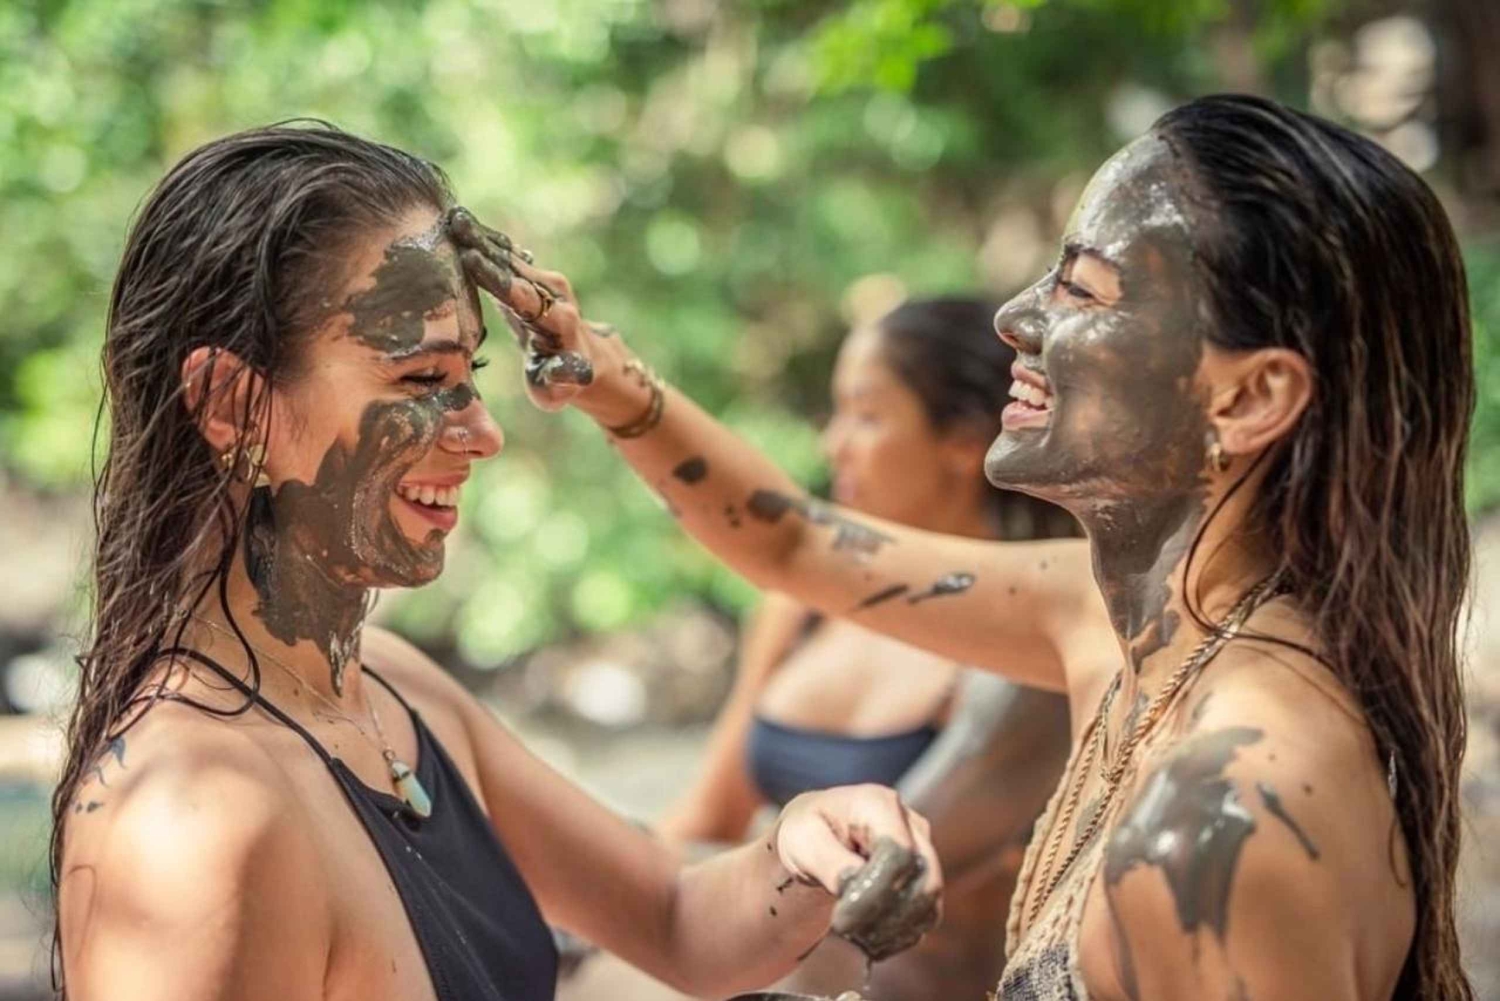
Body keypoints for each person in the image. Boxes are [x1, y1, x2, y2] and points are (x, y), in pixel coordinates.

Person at [456, 92, 1474, 999]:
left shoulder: (1226, 815)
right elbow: (803, 545)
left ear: (1249, 396)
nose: (1015, 316)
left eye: (1082, 288)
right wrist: (603, 375)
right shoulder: (1122, 619)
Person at [50, 123, 942, 1001]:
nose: (484, 432)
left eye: (469, 375)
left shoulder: (393, 688)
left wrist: (806, 842)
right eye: (418, 381)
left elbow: (675, 916)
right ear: (233, 406)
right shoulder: (188, 819)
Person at [654, 298, 1079, 999]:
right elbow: (710, 816)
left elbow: (873, 885)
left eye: (867, 414)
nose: (834, 443)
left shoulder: (1028, 648)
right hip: (760, 969)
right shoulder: (798, 607)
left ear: (962, 444)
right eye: (836, 412)